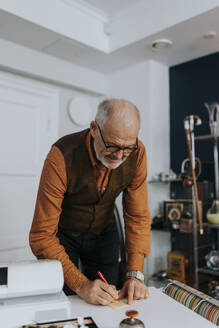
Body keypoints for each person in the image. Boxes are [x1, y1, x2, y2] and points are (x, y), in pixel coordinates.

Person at [29, 98, 151, 305]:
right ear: (94, 128)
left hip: (105, 232)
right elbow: (41, 236)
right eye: (112, 145)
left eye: (127, 148)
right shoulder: (60, 156)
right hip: (63, 237)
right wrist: (81, 284)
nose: (120, 156)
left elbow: (137, 216)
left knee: (108, 299)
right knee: (69, 300)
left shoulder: (137, 154)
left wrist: (134, 274)